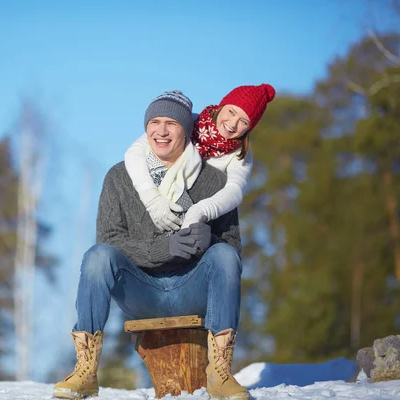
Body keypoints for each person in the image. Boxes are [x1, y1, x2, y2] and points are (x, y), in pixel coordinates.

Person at [53, 90, 258, 400]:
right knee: (97, 257)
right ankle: (86, 370)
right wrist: (164, 249)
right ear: (146, 127)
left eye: (171, 124)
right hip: (141, 291)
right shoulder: (119, 177)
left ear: (187, 130)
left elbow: (233, 251)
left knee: (225, 256)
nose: (161, 131)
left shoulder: (214, 182)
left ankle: (220, 373)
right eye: (155, 122)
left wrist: (210, 241)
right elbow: (108, 239)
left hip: (193, 290)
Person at [124, 84, 275, 232]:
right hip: (159, 198)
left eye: (244, 121)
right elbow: (135, 151)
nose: (233, 123)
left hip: (199, 215)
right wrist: (152, 200)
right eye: (231, 112)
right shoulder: (190, 122)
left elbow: (235, 190)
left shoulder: (240, 153)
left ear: (249, 128)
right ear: (221, 106)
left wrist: (200, 211)